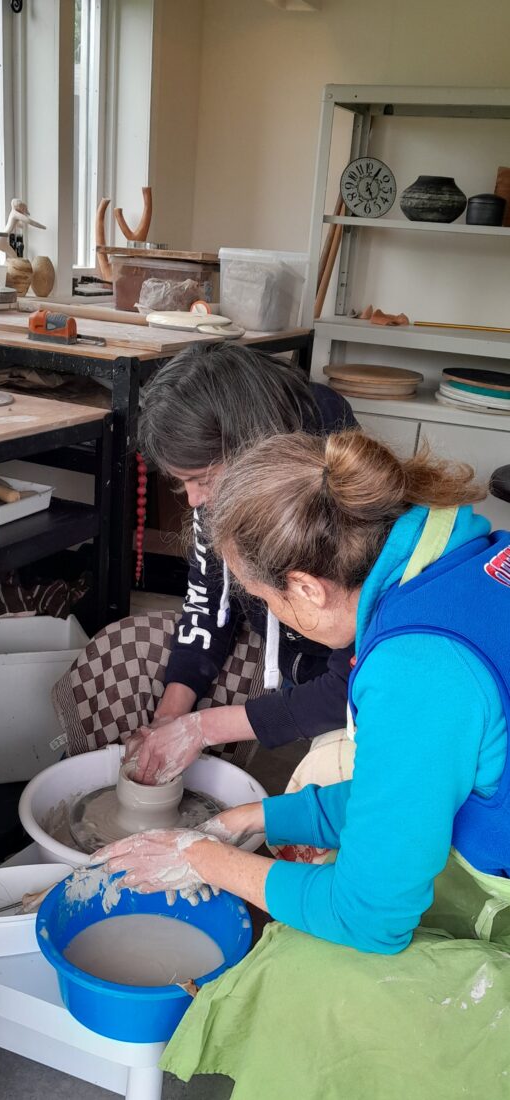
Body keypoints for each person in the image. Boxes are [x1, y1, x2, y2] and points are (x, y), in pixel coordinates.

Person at [95, 430, 510, 1099]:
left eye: (265, 601)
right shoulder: (466, 561)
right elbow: (407, 793)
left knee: (293, 974)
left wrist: (202, 857)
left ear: (306, 588)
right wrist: (249, 817)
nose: (273, 615)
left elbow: (369, 919)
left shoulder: (418, 668)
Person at [54, 342, 356, 765]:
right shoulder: (227, 480)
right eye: (182, 483)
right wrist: (169, 719)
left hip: (346, 683)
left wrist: (201, 729)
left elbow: (353, 684)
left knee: (326, 777)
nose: (194, 500)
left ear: (251, 449)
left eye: (202, 479)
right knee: (121, 646)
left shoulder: (331, 485)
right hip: (279, 648)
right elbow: (207, 602)